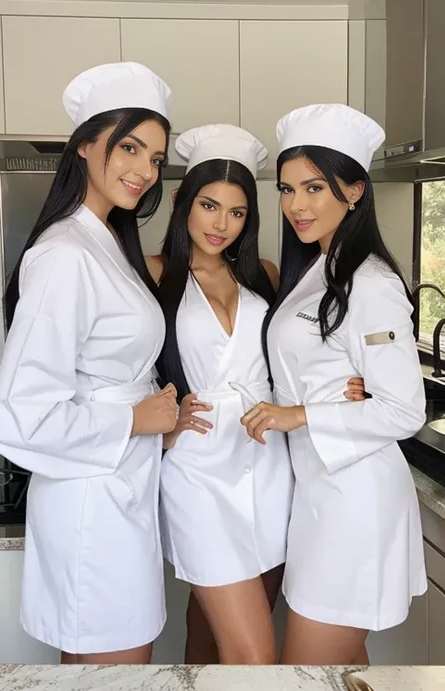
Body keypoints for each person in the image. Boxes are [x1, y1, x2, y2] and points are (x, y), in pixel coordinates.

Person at [146, 123, 366, 664]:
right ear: (181, 202)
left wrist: (345, 389)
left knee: (209, 635)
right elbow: (120, 363)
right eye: (208, 205)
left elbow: (300, 353)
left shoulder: (266, 274)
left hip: (269, 463)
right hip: (197, 470)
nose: (221, 224)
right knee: (253, 655)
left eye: (238, 212)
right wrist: (162, 426)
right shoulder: (154, 274)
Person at [0, 62, 178, 664]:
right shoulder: (66, 253)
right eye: (129, 147)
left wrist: (160, 412)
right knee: (115, 670)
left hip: (118, 489)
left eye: (155, 158)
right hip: (91, 505)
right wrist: (134, 421)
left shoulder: (107, 244)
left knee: (123, 665)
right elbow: (20, 418)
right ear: (84, 146)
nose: (144, 171)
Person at [241, 103, 427, 665]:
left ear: (354, 191)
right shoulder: (317, 270)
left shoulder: (369, 281)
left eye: (314, 187)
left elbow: (403, 411)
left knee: (309, 668)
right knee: (335, 670)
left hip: (356, 502)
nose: (296, 205)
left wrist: (297, 414)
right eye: (287, 188)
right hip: (320, 494)